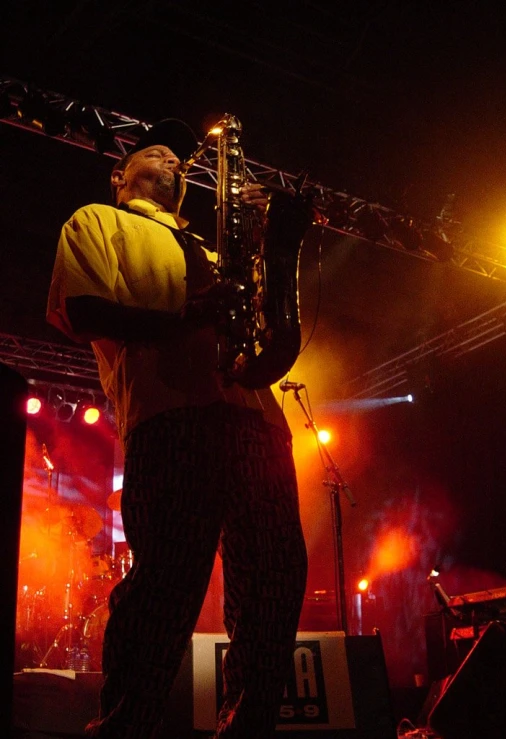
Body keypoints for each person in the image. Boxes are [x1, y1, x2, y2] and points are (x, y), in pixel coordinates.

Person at [46, 119, 308, 739]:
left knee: (274, 584)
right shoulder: (97, 222)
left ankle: (248, 727)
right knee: (167, 588)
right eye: (156, 153)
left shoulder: (217, 253)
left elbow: (265, 340)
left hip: (257, 422)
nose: (172, 162)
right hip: (172, 418)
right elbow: (82, 312)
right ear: (120, 176)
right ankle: (124, 727)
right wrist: (192, 312)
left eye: (176, 160)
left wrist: (278, 254)